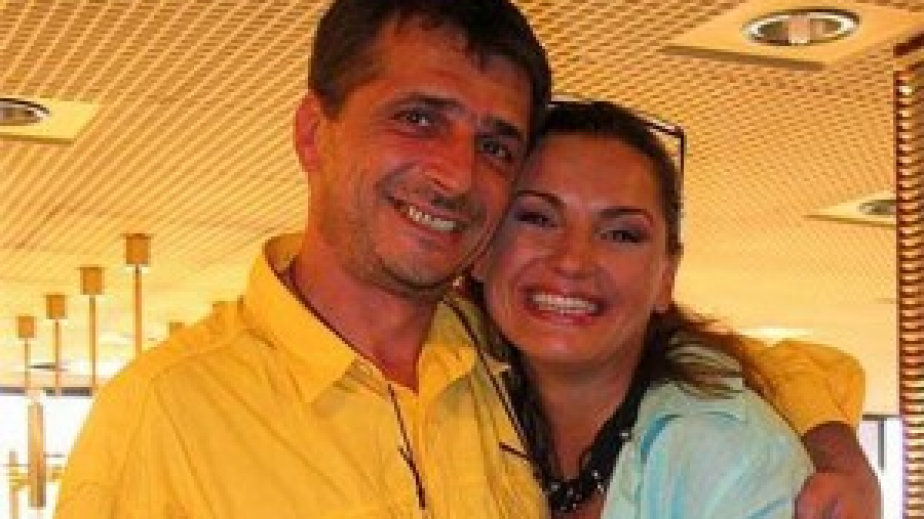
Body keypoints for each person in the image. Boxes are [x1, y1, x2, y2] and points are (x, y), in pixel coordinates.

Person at [54, 0, 878, 517]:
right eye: (418, 118)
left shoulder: (488, 357)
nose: (455, 174)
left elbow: (730, 364)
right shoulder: (163, 417)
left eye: (495, 144)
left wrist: (832, 446)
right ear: (312, 133)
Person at [470, 98, 878, 518]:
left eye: (621, 234)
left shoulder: (726, 460)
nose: (572, 260)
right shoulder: (455, 401)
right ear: (481, 247)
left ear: (666, 276)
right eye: (538, 218)